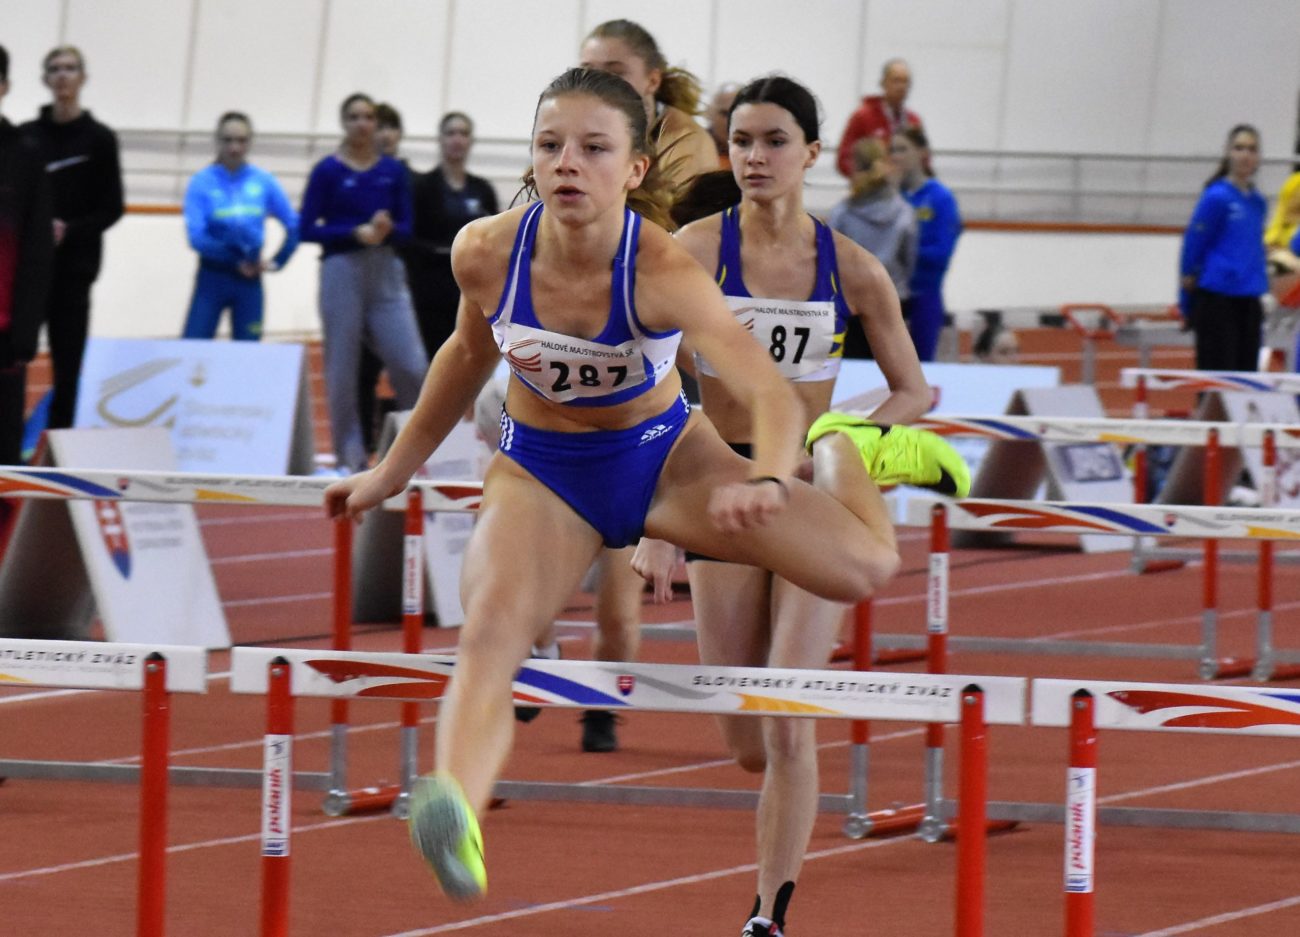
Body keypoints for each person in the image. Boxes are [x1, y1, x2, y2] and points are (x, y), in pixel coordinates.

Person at [323, 66, 967, 907]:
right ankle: (455, 805)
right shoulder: (485, 250)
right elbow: (466, 353)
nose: (567, 163)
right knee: (490, 631)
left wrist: (772, 475)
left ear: (633, 169)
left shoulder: (662, 267)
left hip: (667, 463)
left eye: (593, 148)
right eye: (550, 145)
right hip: (544, 472)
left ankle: (850, 449)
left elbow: (769, 394)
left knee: (864, 568)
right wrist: (389, 472)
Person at [662, 75, 931, 937]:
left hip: (807, 492)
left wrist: (847, 439)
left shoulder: (850, 266)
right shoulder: (694, 251)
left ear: (812, 152)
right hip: (722, 487)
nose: (755, 157)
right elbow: (647, 377)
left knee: (786, 721)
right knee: (746, 738)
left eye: (775, 140)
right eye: (741, 141)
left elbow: (913, 389)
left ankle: (767, 916)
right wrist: (652, 518)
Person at [556, 19, 720, 753]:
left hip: (651, 368)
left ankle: (602, 703)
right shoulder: (569, 131)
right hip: (558, 369)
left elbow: (684, 260)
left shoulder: (689, 148)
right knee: (522, 573)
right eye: (589, 65)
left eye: (617, 70)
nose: (600, 78)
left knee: (619, 582)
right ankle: (533, 654)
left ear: (652, 81)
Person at [299, 92, 428, 475]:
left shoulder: (391, 171)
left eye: (368, 117)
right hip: (341, 269)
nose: (362, 124)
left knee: (411, 364)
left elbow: (407, 227)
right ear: (343, 122)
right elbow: (306, 228)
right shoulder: (327, 171)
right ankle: (349, 458)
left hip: (385, 269)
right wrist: (353, 232)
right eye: (354, 116)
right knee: (341, 367)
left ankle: (414, 450)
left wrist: (387, 230)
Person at [21, 45, 123, 430]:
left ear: (83, 78)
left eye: (70, 68)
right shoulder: (26, 138)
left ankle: (58, 449)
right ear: (45, 79)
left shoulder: (100, 139)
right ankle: (9, 446)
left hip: (75, 273)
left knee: (68, 368)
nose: (62, 75)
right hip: (28, 273)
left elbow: (112, 207)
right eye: (55, 69)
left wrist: (70, 230)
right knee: (14, 360)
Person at [180, 112, 298, 341]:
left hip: (249, 282)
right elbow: (196, 237)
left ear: (250, 141)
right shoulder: (201, 182)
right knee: (193, 346)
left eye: (241, 141)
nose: (234, 148)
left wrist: (276, 262)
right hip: (212, 277)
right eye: (228, 140)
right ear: (217, 140)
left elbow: (294, 226)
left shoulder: (264, 181)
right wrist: (234, 260)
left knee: (248, 351)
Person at [580, 19, 717, 193]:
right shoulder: (570, 128)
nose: (597, 83)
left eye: (615, 73)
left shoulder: (685, 139)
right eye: (588, 71)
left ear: (652, 81)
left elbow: (671, 210)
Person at [405, 111, 500, 360]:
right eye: (451, 133)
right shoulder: (422, 187)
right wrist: (445, 253)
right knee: (433, 361)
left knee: (471, 359)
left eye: (463, 133)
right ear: (440, 139)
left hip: (472, 294)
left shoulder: (482, 189)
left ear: (471, 141)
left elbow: (495, 239)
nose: (457, 139)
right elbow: (408, 242)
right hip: (430, 293)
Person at [0, 44, 53, 470]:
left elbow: (38, 250)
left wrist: (26, 328)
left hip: (4, 332)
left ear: (4, 87)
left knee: (2, 448)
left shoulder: (26, 156)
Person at [1179, 124, 1269, 372]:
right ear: (1228, 152)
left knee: (1245, 377)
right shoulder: (1216, 197)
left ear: (1258, 157)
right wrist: (1186, 301)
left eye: (1252, 149)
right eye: (1239, 148)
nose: (1245, 155)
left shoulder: (1258, 202)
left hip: (1249, 300)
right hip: (1218, 299)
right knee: (1217, 376)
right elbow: (1193, 244)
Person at [829, 137, 916, 359]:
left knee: (851, 371)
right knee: (890, 372)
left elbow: (829, 261)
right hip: (892, 302)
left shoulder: (842, 213)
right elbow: (909, 262)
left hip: (852, 305)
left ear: (854, 167)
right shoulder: (904, 213)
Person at [893, 127, 962, 361]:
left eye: (902, 149)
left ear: (922, 152)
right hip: (891, 295)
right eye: (892, 150)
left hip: (924, 294)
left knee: (920, 366)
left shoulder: (940, 197)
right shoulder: (892, 196)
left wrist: (900, 253)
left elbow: (941, 252)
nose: (896, 156)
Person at [835, 58, 923, 179]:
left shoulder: (913, 120)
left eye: (905, 81)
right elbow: (844, 159)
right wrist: (869, 177)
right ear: (883, 83)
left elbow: (924, 158)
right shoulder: (863, 116)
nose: (901, 86)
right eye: (896, 80)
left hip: (905, 186)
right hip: (871, 186)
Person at [706, 82, 740, 168]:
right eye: (725, 114)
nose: (730, 121)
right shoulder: (694, 147)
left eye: (738, 114)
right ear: (710, 114)